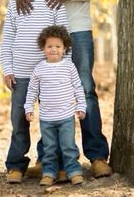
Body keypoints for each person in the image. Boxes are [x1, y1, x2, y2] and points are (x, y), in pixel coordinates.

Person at [12, 0, 112, 178]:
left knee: (85, 90)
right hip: (44, 32)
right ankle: (48, 159)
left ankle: (96, 156)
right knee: (47, 89)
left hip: (77, 28)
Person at [0, 0, 69, 183]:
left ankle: (51, 163)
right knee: (20, 119)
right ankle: (16, 165)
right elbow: (8, 38)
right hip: (21, 73)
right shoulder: (15, 3)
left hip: (50, 74)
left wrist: (64, 69)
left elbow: (64, 37)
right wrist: (7, 69)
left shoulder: (54, 3)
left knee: (52, 120)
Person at [24, 25, 86, 186]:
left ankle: (73, 171)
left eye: (58, 46)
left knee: (68, 147)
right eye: (49, 46)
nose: (53, 49)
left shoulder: (69, 66)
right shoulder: (39, 69)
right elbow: (32, 90)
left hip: (66, 117)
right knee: (49, 148)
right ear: (43, 48)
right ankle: (49, 173)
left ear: (64, 48)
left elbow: (78, 87)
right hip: (46, 119)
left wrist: (81, 106)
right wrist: (29, 108)